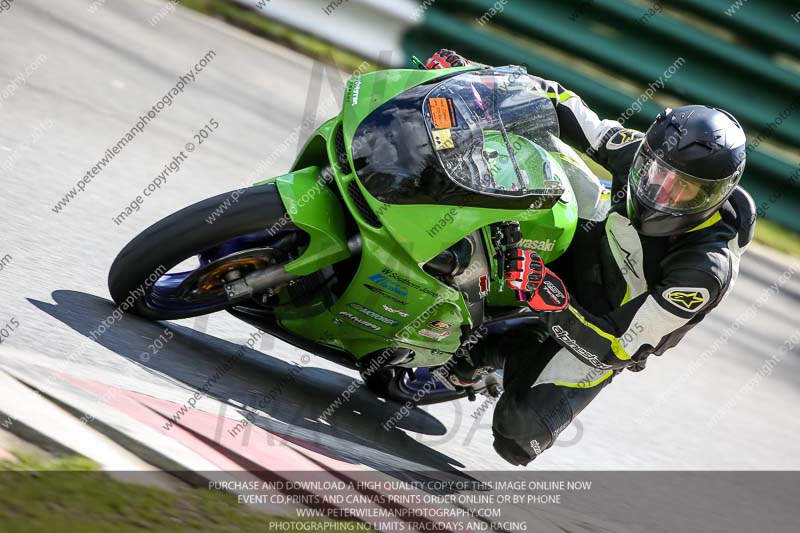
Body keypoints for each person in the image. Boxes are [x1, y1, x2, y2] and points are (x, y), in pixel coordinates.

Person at [424, 50, 756, 465]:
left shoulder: (703, 270)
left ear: (715, 196)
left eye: (683, 190)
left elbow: (616, 348)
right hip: (590, 243)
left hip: (606, 320)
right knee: (535, 144)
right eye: (655, 173)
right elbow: (565, 107)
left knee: (518, 435)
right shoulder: (647, 157)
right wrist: (473, 81)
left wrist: (549, 299)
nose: (660, 191)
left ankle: (502, 349)